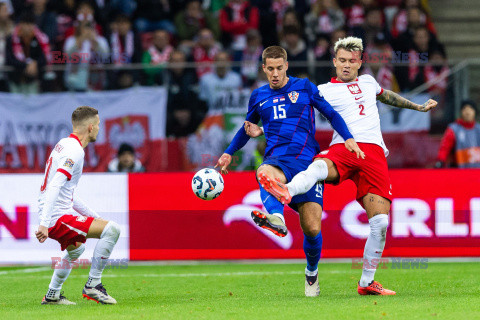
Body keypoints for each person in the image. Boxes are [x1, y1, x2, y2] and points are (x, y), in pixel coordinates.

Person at [248, 37, 437, 295]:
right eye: (342, 61)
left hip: (374, 154)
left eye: (352, 61)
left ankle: (366, 282)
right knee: (318, 167)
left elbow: (388, 96)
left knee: (380, 222)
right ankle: (287, 191)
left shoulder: (369, 82)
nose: (347, 65)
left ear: (359, 63)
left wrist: (417, 106)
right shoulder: (323, 89)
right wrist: (263, 129)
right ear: (334, 62)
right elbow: (291, 107)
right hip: (345, 146)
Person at [215, 45, 364, 297]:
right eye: (270, 69)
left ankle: (311, 273)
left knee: (312, 229)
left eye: (279, 68)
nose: (275, 73)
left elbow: (330, 112)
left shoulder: (304, 87)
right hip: (278, 160)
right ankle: (278, 218)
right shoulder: (259, 96)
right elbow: (247, 128)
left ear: (286, 66)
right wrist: (230, 151)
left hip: (307, 164)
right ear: (263, 68)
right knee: (263, 171)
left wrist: (348, 137)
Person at [36, 106, 120, 305]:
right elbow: (55, 184)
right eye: (98, 125)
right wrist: (44, 223)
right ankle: (93, 285)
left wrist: (94, 215)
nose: (99, 128)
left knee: (77, 250)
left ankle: (52, 295)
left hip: (56, 213)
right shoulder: (75, 151)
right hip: (57, 218)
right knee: (113, 230)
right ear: (90, 127)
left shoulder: (64, 144)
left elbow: (69, 194)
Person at [436, 100, 480, 168]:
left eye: (470, 109)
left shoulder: (478, 129)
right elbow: (445, 147)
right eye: (465, 109)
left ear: (475, 112)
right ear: (461, 112)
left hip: (477, 172)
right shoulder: (454, 129)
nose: (467, 112)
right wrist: (440, 160)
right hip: (459, 171)